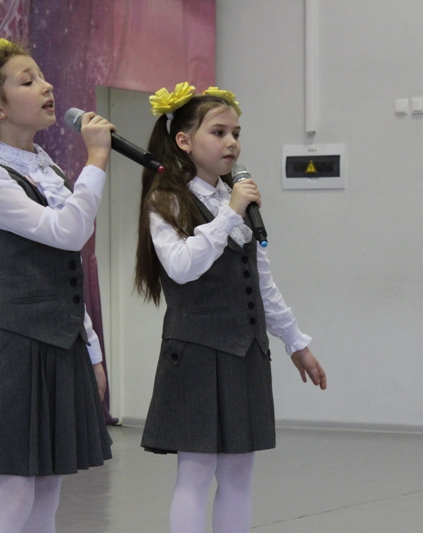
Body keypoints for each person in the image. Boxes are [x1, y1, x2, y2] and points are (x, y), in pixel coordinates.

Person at [0, 34, 114, 533]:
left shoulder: (45, 169)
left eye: (43, 76)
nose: (47, 87)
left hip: (60, 342)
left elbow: (65, 271)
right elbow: (68, 232)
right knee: (14, 495)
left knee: (48, 490)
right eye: (28, 81)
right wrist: (96, 161)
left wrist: (91, 351)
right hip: (18, 345)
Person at [134, 82, 327, 533]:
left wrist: (295, 342)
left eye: (236, 133)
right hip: (197, 350)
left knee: (240, 472)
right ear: (184, 140)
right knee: (196, 471)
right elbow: (182, 266)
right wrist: (230, 213)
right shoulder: (167, 199)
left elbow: (262, 283)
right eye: (219, 132)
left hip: (245, 351)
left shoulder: (234, 200)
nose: (231, 143)